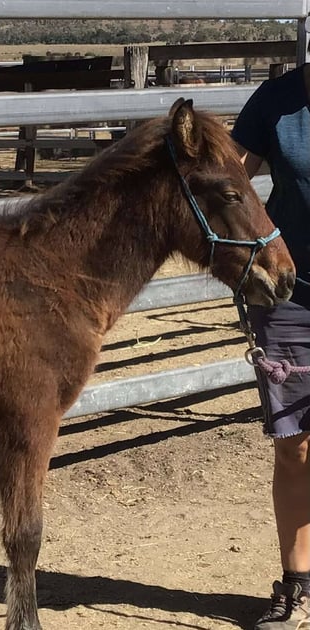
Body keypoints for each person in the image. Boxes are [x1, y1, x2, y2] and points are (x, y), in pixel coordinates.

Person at [231, 60, 310, 630]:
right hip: (292, 295)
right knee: (296, 446)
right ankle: (298, 584)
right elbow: (227, 185)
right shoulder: (276, 100)